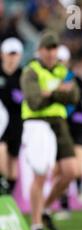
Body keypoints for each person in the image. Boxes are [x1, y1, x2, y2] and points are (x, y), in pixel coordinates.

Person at [20, 31, 79, 230]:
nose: (52, 52)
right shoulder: (31, 71)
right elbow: (34, 101)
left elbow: (75, 96)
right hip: (37, 123)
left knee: (70, 171)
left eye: (54, 48)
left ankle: (45, 207)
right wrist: (60, 92)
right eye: (48, 48)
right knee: (41, 172)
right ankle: (36, 223)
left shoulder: (62, 69)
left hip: (59, 123)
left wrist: (50, 93)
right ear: (40, 51)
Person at [54, 45, 82, 220]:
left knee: (78, 165)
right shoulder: (50, 80)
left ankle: (79, 185)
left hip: (76, 128)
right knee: (60, 170)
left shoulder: (75, 80)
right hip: (59, 128)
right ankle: (64, 207)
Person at [0, 37, 24, 195]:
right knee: (1, 149)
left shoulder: (23, 76)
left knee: (13, 161)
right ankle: (2, 181)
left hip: (16, 122)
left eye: (15, 54)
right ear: (2, 54)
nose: (12, 58)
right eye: (10, 54)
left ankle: (8, 194)